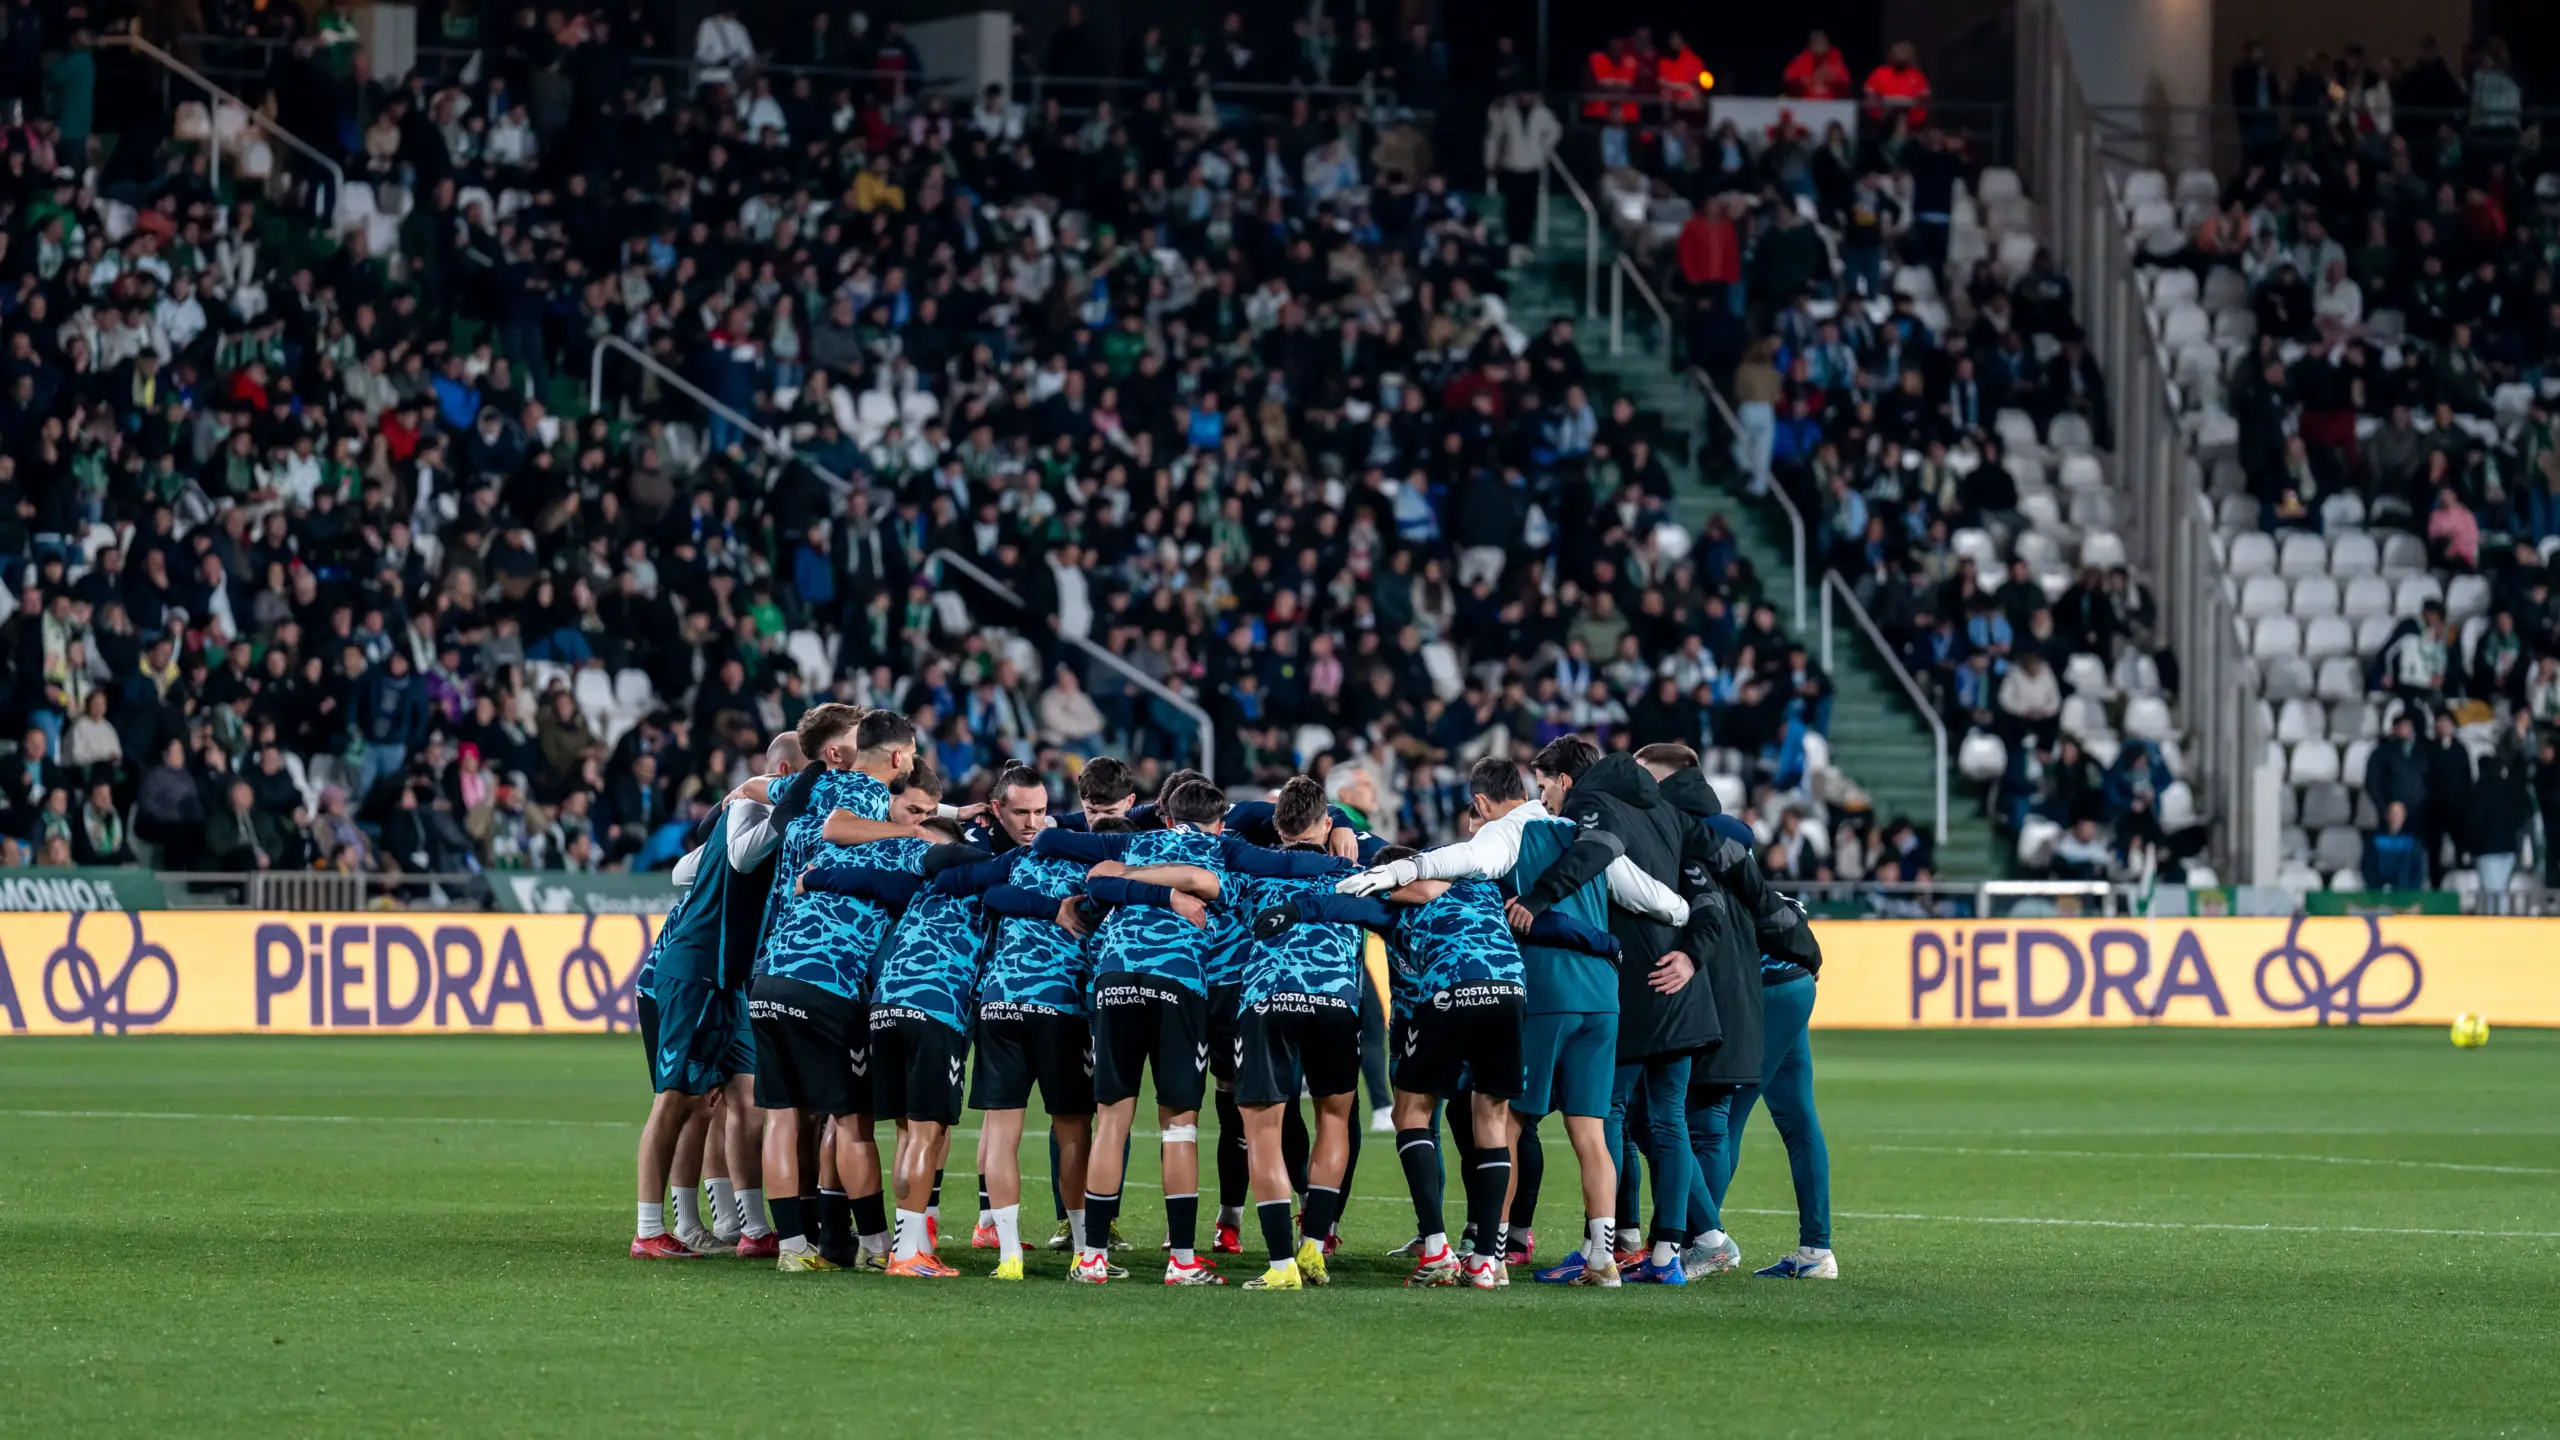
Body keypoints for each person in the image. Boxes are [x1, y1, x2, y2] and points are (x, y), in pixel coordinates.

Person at [1026, 780, 1346, 1284]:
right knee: (1180, 1124)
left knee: (1111, 1120)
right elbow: (1288, 863)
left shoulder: (1130, 844)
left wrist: (1132, 880)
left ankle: (1090, 1257)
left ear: (1168, 819)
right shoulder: (1225, 849)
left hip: (1112, 978)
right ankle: (1181, 1260)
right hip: (1177, 982)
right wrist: (1340, 855)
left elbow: (1054, 846)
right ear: (1219, 824)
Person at [1274, 842, 1617, 1288]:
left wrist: (1296, 910)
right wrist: (1606, 943)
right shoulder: (1484, 890)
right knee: (1491, 1119)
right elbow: (1549, 921)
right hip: (1510, 992)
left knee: (1411, 1113)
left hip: (1452, 987)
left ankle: (1437, 1248)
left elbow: (1342, 906)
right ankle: (1485, 1262)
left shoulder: (1391, 902)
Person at [742, 705, 919, 1272]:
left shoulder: (806, 786)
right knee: (850, 1121)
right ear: (895, 758)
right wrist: (907, 831)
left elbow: (753, 785)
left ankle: (794, 1248)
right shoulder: (864, 795)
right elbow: (841, 826)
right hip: (828, 973)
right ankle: (873, 1246)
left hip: (771, 969)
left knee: (784, 1115)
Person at [628, 730, 800, 1260]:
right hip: (692, 973)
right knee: (684, 1103)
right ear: (789, 773)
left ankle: (748, 1226)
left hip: (729, 980)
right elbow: (734, 862)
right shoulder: (755, 817)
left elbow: (685, 870)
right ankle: (655, 1228)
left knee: (746, 1100)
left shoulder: (771, 820)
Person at [798, 813, 993, 1278]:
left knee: (909, 1134)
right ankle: (907, 1255)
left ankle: (910, 1246)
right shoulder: (984, 882)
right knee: (929, 1134)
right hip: (935, 1009)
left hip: (884, 1012)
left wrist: (814, 877)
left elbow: (858, 878)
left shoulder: (909, 887)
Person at [1783, 30, 1853, 99]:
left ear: (1827, 43)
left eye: (1821, 41)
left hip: (1831, 103)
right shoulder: (1802, 59)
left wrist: (1831, 79)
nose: (1819, 44)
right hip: (1806, 102)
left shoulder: (1836, 58)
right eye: (1815, 41)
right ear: (1810, 45)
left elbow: (1845, 80)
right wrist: (1803, 81)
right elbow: (1789, 77)